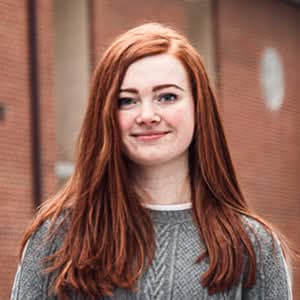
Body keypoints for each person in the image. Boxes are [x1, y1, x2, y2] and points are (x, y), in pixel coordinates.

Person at [11, 23, 292, 300]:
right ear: (105, 114)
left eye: (167, 97)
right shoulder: (56, 237)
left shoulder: (252, 245)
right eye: (127, 101)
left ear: (199, 107)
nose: (147, 115)